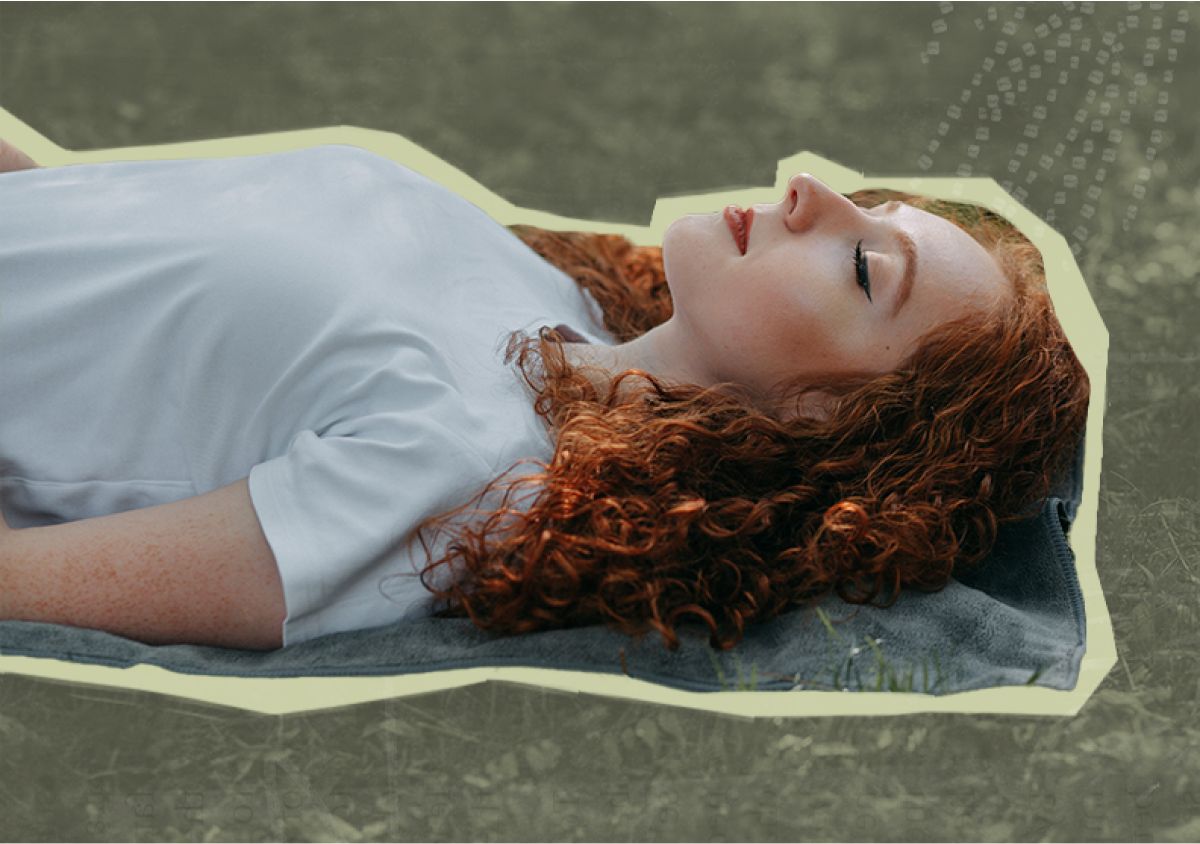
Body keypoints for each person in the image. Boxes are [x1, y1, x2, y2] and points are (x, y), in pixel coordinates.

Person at [0, 139, 1089, 652]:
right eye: (872, 204)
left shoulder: (479, 479)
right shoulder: (552, 293)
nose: (812, 190)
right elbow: (114, 267)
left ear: (824, 423)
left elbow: (23, 578)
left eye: (864, 268)